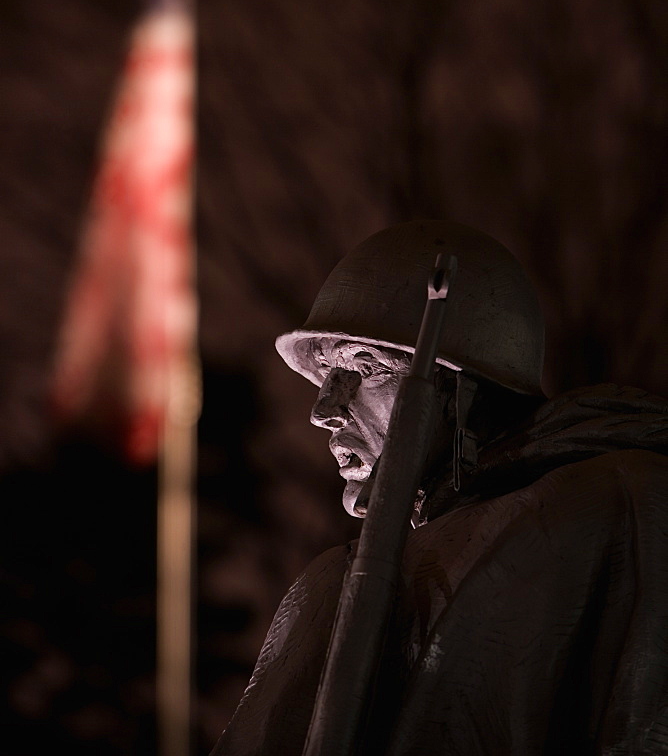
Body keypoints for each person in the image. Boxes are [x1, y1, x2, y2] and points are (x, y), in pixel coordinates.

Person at [212, 220, 668, 755]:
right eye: (326, 376)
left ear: (464, 394)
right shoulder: (343, 579)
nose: (324, 411)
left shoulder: (624, 505)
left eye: (367, 367)